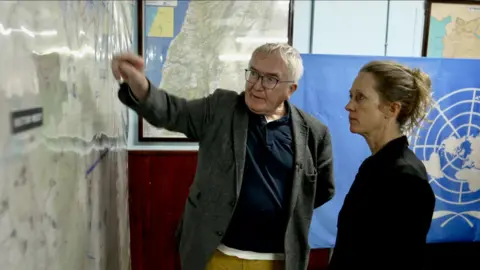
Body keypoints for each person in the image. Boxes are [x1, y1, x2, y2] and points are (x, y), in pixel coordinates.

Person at [111, 43, 335, 270]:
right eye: (254, 73)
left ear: (291, 89)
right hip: (215, 253)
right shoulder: (221, 109)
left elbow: (320, 191)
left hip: (278, 260)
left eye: (270, 79)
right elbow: (173, 112)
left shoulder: (314, 133)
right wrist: (141, 87)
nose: (257, 85)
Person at [328, 61, 436, 270]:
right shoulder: (376, 166)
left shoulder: (405, 177)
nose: (349, 106)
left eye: (360, 97)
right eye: (351, 96)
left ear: (392, 109)